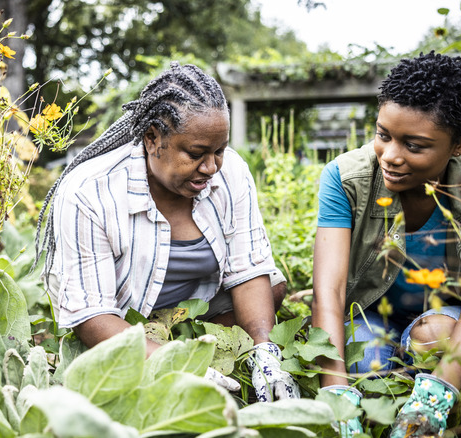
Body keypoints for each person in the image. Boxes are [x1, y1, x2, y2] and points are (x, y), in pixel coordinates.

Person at [33, 62, 299, 401]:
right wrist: (176, 365)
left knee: (270, 287)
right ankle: (160, 353)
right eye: (196, 154)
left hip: (195, 306)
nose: (212, 167)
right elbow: (92, 314)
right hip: (121, 316)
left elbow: (249, 269)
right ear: (152, 139)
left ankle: (210, 350)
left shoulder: (230, 172)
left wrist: (265, 353)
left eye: (219, 151)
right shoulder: (90, 191)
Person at [312, 52, 461, 437]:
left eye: (414, 145)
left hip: (448, 320)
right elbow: (330, 290)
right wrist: (335, 391)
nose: (390, 156)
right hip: (372, 314)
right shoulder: (345, 178)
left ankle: (432, 383)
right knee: (364, 367)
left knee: (430, 338)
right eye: (383, 135)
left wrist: (437, 395)